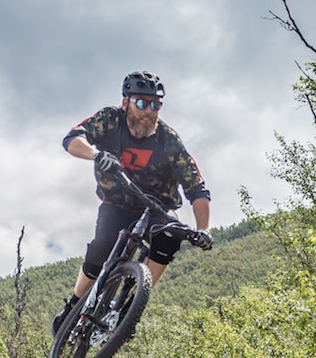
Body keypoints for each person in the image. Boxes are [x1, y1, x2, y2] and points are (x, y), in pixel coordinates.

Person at [53, 70, 213, 335]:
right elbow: (72, 138)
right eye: (141, 103)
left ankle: (129, 312)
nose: (148, 111)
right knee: (102, 246)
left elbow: (197, 188)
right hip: (116, 202)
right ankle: (73, 306)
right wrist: (96, 155)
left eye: (155, 104)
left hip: (155, 208)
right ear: (126, 102)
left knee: (171, 237)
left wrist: (204, 229)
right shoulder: (110, 120)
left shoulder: (168, 140)